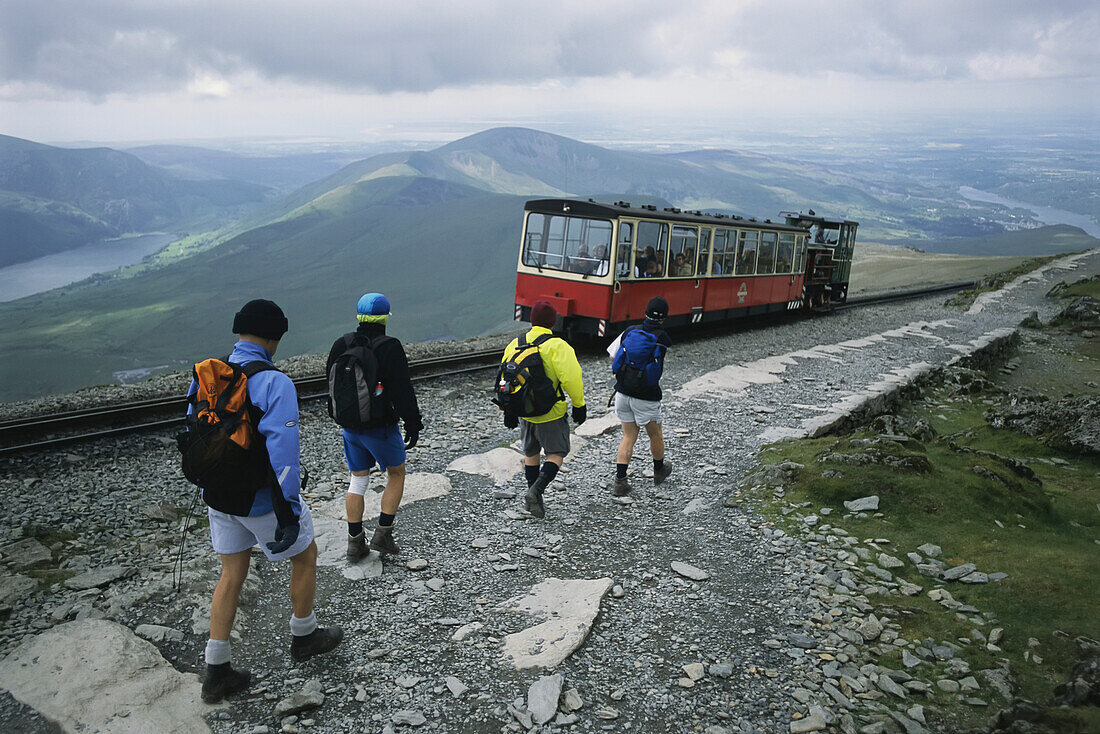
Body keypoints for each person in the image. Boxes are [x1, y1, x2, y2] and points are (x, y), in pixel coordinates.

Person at [192, 299, 343, 704]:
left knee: (231, 573)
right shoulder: (274, 382)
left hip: (219, 497)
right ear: (274, 337)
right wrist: (289, 509)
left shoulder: (209, 373)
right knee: (305, 555)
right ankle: (305, 635)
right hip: (259, 501)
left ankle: (217, 670)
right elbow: (284, 454)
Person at [326, 292, 424, 561]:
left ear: (359, 315)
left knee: (358, 479)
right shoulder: (389, 346)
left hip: (350, 427)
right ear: (385, 317)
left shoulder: (340, 344)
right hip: (380, 428)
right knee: (396, 473)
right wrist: (413, 423)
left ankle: (355, 542)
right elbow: (402, 390)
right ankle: (383, 533)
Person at [501, 300, 586, 518]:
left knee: (530, 452)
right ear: (553, 321)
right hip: (550, 412)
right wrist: (579, 405)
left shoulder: (515, 344)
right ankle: (535, 490)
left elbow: (506, 379)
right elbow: (572, 379)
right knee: (557, 453)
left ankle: (533, 500)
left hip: (525, 410)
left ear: (532, 320)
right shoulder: (558, 345)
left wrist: (509, 410)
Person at [608, 296, 674, 496]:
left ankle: (620, 481)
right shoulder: (662, 337)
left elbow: (612, 355)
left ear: (645, 312)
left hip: (622, 392)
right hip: (646, 395)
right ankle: (659, 470)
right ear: (664, 317)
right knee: (655, 434)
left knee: (629, 436)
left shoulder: (630, 330)